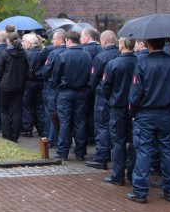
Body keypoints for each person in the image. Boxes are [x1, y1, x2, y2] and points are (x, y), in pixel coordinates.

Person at [127, 37, 170, 203]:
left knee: (144, 150)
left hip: (146, 113)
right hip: (167, 112)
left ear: (149, 44)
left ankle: (141, 190)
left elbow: (136, 92)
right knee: (168, 150)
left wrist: (133, 111)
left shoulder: (142, 63)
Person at [102, 36, 137, 186]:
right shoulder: (139, 62)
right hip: (135, 107)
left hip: (118, 106)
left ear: (121, 46)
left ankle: (118, 174)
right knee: (135, 142)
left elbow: (106, 86)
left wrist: (110, 99)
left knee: (118, 141)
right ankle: (133, 173)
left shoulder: (113, 64)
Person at [52, 30, 91, 161]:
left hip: (66, 92)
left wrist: (58, 85)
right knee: (80, 122)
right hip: (81, 92)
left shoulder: (63, 56)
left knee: (65, 122)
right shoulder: (87, 55)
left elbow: (56, 75)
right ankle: (80, 152)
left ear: (69, 41)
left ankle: (63, 151)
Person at [86, 30, 120, 170]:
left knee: (102, 126)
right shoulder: (121, 55)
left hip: (102, 95)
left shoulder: (100, 57)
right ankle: (112, 155)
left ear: (104, 41)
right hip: (118, 96)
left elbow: (93, 79)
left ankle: (101, 157)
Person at [0, 32, 30, 142]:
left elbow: (0, 69)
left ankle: (6, 134)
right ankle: (15, 135)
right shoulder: (24, 53)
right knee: (17, 110)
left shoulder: (5, 52)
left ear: (9, 41)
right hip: (19, 84)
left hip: (6, 84)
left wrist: (2, 78)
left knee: (4, 110)